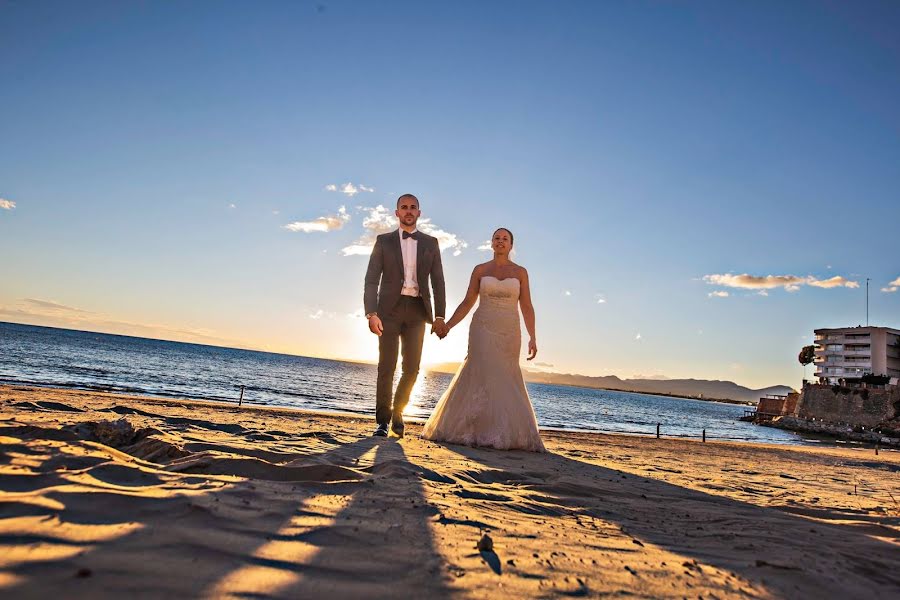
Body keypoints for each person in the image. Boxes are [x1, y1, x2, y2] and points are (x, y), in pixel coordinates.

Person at [422, 227, 545, 452]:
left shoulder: (520, 272)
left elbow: (526, 305)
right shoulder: (480, 270)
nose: (500, 242)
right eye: (496, 238)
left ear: (511, 245)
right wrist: (448, 325)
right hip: (482, 327)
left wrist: (533, 336)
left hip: (509, 330)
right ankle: (471, 429)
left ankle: (503, 431)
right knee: (478, 370)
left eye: (505, 239)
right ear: (491, 243)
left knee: (505, 374)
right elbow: (468, 301)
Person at [364, 194, 447, 437]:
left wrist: (440, 315)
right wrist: (371, 313)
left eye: (413, 207)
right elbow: (371, 279)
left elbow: (438, 280)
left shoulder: (431, 243)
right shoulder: (383, 241)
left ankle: (398, 411)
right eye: (404, 207)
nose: (408, 211)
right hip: (388, 310)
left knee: (411, 368)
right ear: (396, 213)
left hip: (418, 310)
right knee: (386, 367)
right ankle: (382, 422)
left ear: (419, 213)